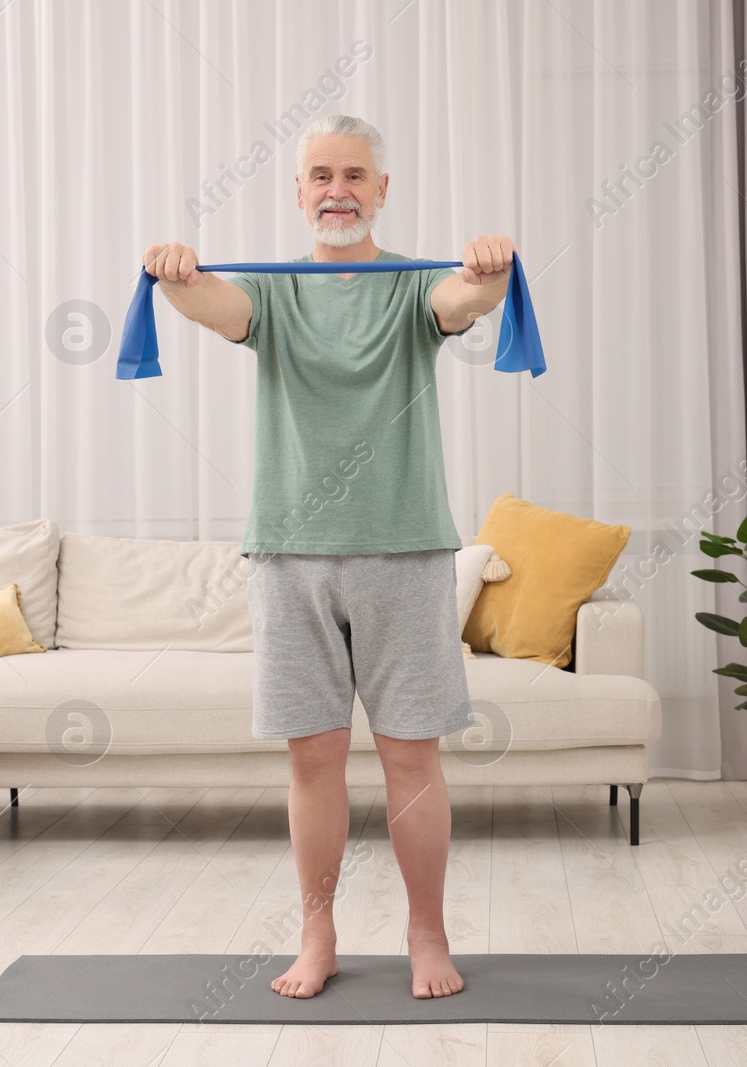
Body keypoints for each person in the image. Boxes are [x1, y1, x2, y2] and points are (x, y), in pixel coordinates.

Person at [141, 113, 515, 1001]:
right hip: (290, 554)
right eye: (320, 175)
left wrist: (487, 271)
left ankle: (427, 930)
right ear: (300, 192)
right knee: (311, 761)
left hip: (405, 549)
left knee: (410, 759)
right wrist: (174, 273)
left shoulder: (415, 285)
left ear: (381, 190)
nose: (336, 189)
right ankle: (319, 932)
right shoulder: (272, 295)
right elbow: (214, 307)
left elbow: (463, 302)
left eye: (353, 174)